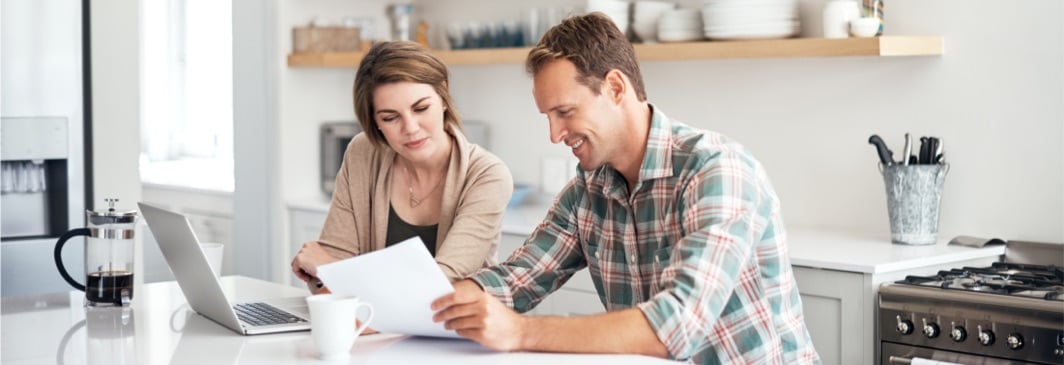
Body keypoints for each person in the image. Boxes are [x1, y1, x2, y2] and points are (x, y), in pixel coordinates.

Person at [430, 13, 821, 364]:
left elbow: (675, 324)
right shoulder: (587, 192)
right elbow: (516, 279)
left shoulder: (716, 171)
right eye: (547, 117)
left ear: (615, 88)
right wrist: (429, 304)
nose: (554, 134)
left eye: (565, 112)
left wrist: (521, 332)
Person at [291, 41, 513, 294]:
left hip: (454, 331)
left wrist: (332, 268)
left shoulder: (487, 175)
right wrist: (330, 270)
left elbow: (440, 286)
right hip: (371, 329)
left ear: (443, 96)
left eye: (421, 108)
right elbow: (325, 282)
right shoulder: (363, 153)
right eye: (390, 117)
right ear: (374, 122)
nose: (410, 128)